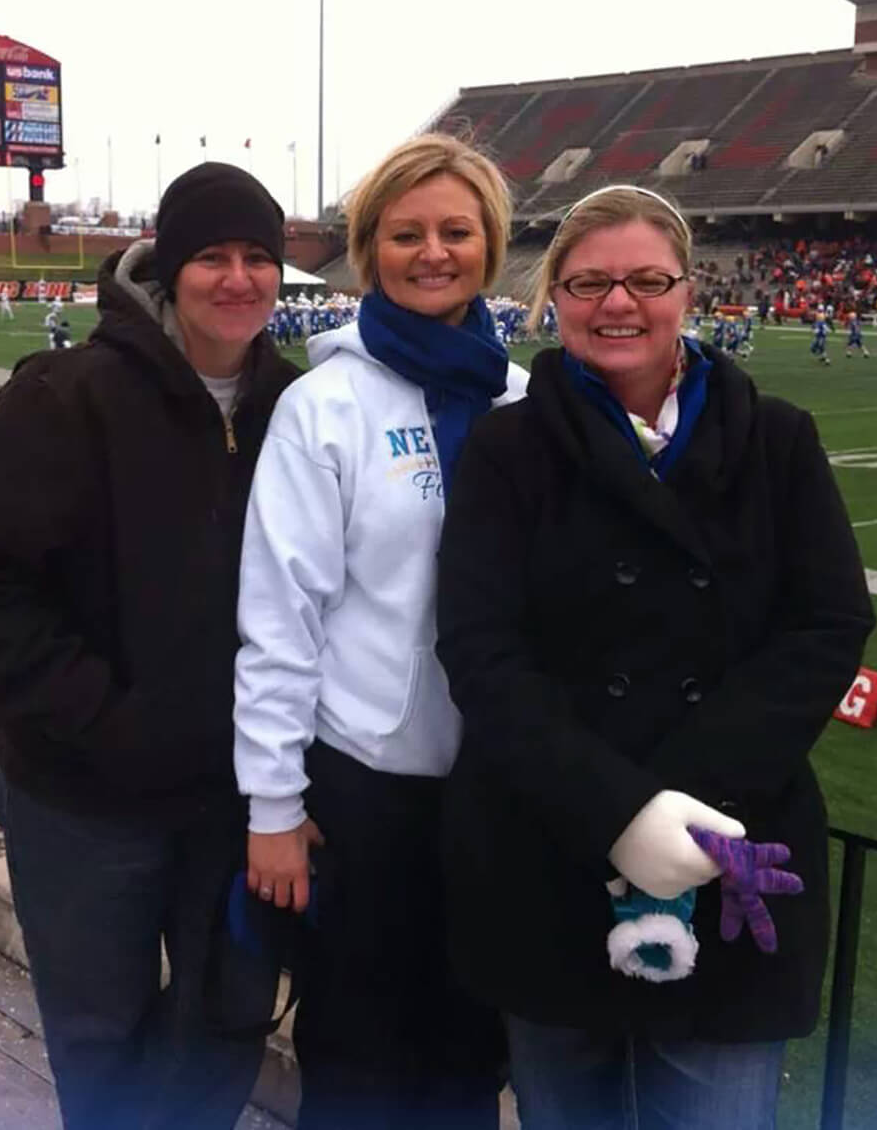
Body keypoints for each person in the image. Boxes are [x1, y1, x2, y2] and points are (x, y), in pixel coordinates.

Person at [436, 184, 874, 1130]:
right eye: (589, 281)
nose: (618, 302)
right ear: (554, 296)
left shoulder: (780, 439)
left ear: (687, 289)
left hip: (733, 842)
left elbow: (830, 625)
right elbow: (479, 646)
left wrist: (681, 806)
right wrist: (616, 811)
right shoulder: (507, 447)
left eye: (644, 278)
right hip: (552, 850)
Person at [0, 162, 301, 1130]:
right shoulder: (69, 396)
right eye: (212, 256)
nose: (238, 278)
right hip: (85, 800)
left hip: (238, 797)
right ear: (168, 268)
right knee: (99, 1033)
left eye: (259, 257)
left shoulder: (299, 408)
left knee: (228, 1016)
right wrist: (103, 717)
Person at [233, 133, 528, 1130]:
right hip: (364, 791)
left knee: (468, 1053)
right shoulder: (325, 406)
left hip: (494, 789)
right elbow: (280, 616)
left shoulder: (525, 402)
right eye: (406, 233)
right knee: (358, 1059)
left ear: (489, 243)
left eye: (456, 229)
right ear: (367, 250)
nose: (432, 251)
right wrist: (272, 803)